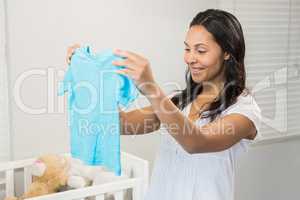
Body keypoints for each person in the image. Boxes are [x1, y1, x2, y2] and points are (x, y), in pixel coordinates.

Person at [66, 9, 261, 200]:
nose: (190, 58)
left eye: (200, 50)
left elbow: (196, 142)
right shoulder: (177, 101)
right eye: (187, 49)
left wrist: (151, 89)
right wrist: (89, 74)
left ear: (227, 52)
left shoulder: (244, 110)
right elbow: (119, 123)